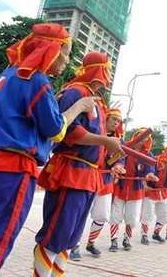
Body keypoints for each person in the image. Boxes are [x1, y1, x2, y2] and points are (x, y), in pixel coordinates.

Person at [0, 24, 98, 276]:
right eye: (66, 53)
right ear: (52, 50)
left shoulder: (7, 75)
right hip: (9, 168)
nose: (67, 61)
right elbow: (56, 130)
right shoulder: (37, 80)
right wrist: (78, 107)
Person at [33, 52, 125, 276]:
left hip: (88, 175)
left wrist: (111, 155)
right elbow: (68, 132)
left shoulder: (97, 102)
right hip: (71, 171)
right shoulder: (75, 93)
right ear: (98, 70)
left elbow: (97, 147)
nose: (110, 75)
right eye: (108, 69)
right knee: (56, 232)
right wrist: (104, 140)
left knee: (70, 236)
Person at [69, 108, 126, 261]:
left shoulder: (119, 140)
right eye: (114, 119)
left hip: (106, 182)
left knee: (102, 215)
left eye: (118, 121)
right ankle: (74, 244)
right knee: (81, 214)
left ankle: (91, 242)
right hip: (88, 177)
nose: (116, 123)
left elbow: (121, 158)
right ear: (105, 118)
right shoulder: (94, 133)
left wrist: (118, 166)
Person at [109, 128, 158, 250]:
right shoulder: (125, 146)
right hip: (120, 185)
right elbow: (118, 159)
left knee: (133, 215)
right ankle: (113, 240)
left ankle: (127, 239)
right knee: (115, 214)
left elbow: (149, 170)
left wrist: (149, 176)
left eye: (146, 136)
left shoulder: (148, 154)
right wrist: (119, 167)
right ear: (136, 135)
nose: (143, 138)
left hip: (136, 188)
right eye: (141, 135)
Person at [140, 145, 167, 244]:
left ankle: (156, 233)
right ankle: (144, 235)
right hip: (151, 191)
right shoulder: (154, 160)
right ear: (166, 152)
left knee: (164, 216)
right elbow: (145, 172)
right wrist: (144, 184)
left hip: (163, 192)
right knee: (147, 215)